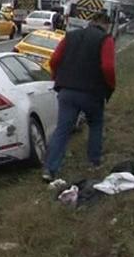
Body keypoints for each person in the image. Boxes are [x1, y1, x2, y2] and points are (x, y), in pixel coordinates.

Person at [42, 12, 116, 181]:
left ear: (90, 21)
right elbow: (108, 67)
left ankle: (49, 169)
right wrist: (110, 86)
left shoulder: (71, 36)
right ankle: (93, 163)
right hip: (92, 93)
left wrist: (57, 77)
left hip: (67, 91)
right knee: (96, 124)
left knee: (62, 129)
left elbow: (54, 60)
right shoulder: (106, 39)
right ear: (106, 24)